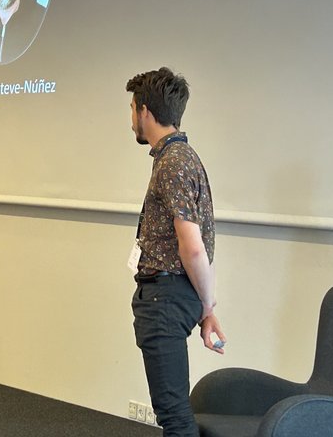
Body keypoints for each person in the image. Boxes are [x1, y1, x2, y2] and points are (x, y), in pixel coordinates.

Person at [125, 67, 225, 437]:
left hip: (164, 298)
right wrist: (204, 309)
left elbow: (193, 248)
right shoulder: (179, 158)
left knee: (175, 417)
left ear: (144, 111)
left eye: (132, 109)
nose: (131, 119)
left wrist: (208, 307)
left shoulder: (173, 162)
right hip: (171, 296)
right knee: (176, 412)